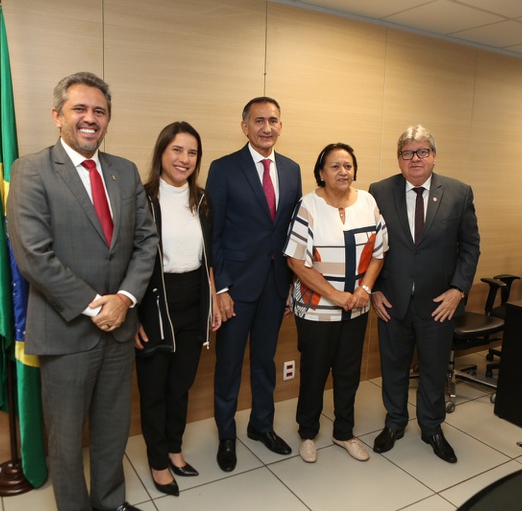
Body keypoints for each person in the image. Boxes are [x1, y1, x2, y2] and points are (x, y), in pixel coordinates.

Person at [7, 72, 158, 511]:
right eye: (80, 109)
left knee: (113, 430)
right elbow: (34, 255)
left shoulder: (124, 171)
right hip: (65, 329)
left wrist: (125, 299)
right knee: (68, 440)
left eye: (99, 111)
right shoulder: (31, 170)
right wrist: (97, 306)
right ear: (57, 116)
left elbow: (146, 242)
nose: (90, 118)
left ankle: (110, 503)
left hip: (118, 330)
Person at [368, 124, 480, 464]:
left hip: (438, 304)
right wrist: (372, 290)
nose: (415, 159)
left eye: (422, 152)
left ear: (433, 156)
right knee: (394, 366)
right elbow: (368, 246)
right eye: (407, 153)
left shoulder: (459, 193)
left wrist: (458, 290)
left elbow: (470, 246)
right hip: (392, 300)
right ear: (399, 159)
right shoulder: (379, 191)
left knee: (433, 369)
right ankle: (395, 423)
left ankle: (432, 427)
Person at [206, 97, 303, 472]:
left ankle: (261, 426)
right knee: (228, 365)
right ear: (244, 126)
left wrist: (291, 284)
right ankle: (226, 436)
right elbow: (212, 234)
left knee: (265, 362)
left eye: (273, 120)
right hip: (236, 289)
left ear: (281, 126)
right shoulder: (224, 168)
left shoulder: (292, 170)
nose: (267, 127)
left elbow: (292, 231)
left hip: (275, 285)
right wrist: (222, 288)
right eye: (259, 120)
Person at [284, 143, 388, 463]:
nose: (343, 172)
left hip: (357, 306)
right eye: (335, 166)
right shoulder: (308, 205)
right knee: (315, 372)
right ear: (321, 172)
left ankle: (344, 431)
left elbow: (379, 252)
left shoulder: (368, 202)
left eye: (348, 166)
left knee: (348, 373)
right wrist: (336, 295)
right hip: (316, 308)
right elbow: (296, 261)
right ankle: (308, 432)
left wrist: (365, 289)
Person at [133, 121, 221, 497]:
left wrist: (214, 299)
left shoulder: (202, 200)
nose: (184, 159)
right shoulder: (142, 198)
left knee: (180, 384)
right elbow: (127, 258)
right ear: (162, 152)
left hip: (194, 298)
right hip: (153, 298)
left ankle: (173, 448)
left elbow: (208, 257)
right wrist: (132, 314)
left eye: (192, 152)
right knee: (153, 388)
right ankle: (156, 460)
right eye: (177, 150)